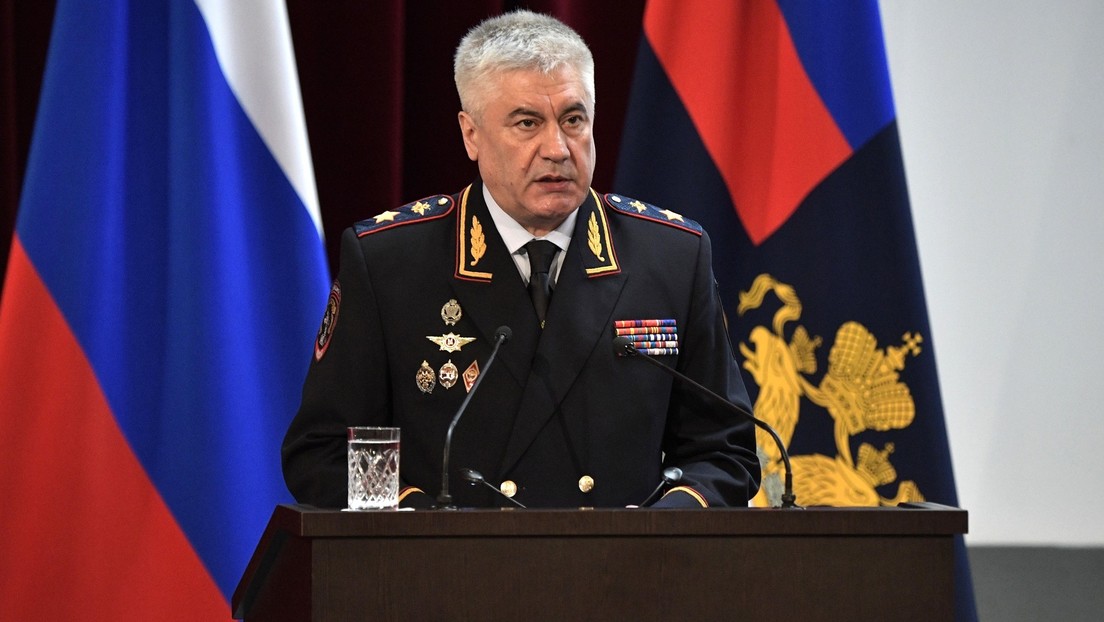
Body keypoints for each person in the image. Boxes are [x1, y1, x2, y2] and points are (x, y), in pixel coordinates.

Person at [282, 10, 760, 509]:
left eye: (573, 120)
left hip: (625, 557)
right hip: (450, 557)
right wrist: (424, 526)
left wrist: (657, 531)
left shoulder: (671, 256)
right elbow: (323, 453)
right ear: (471, 135)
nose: (557, 149)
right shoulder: (389, 262)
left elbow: (725, 452)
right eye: (527, 123)